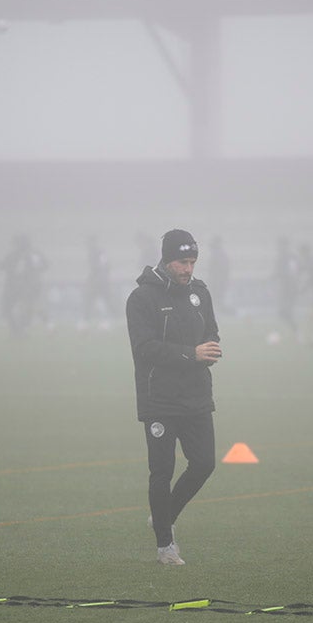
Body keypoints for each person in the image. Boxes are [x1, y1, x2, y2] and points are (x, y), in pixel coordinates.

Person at [125, 229, 221, 566]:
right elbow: (145, 349)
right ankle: (165, 546)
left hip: (195, 396)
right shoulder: (141, 299)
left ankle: (163, 516)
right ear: (167, 260)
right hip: (160, 400)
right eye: (183, 262)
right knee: (162, 472)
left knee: (204, 463)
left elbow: (211, 331)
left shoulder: (200, 292)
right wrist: (190, 354)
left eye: (193, 262)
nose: (188, 269)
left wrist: (210, 348)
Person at [0, 234, 48, 337]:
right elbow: (45, 265)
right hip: (18, 286)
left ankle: (19, 330)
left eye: (16, 242)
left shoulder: (30, 254)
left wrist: (32, 273)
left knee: (19, 308)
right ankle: (18, 330)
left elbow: (44, 265)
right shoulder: (17, 254)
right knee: (12, 308)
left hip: (22, 286)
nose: (15, 245)